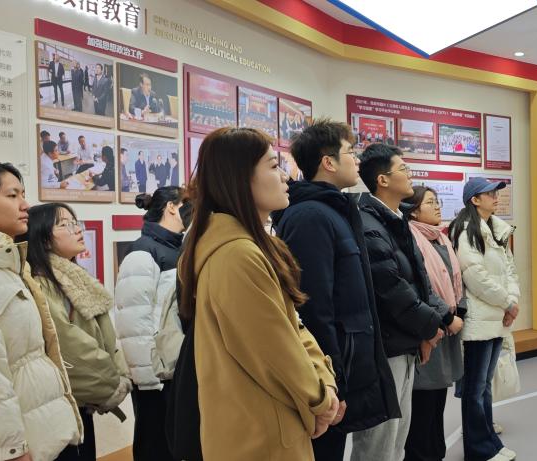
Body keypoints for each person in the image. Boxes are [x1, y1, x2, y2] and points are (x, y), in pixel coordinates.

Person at [177, 127, 340, 459]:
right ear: (240, 178)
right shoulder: (236, 255)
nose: (284, 176)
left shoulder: (248, 246)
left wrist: (323, 384)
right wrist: (321, 399)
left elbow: (293, 328)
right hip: (260, 433)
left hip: (267, 422)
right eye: (273, 166)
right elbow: (277, 351)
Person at [272, 119, 399, 461]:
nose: (357, 159)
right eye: (350, 152)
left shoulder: (334, 211)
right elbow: (313, 307)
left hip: (344, 366)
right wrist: (329, 381)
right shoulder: (310, 217)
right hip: (328, 374)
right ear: (328, 162)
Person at [0, 161, 83, 461]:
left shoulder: (9, 264)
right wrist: (10, 449)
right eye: (12, 195)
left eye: (23, 194)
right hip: (20, 445)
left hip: (46, 429)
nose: (25, 205)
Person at [354, 144, 446, 461]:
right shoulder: (369, 224)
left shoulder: (396, 219)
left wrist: (427, 328)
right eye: (403, 169)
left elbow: (419, 279)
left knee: (397, 440)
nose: (410, 175)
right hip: (387, 346)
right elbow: (391, 288)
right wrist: (432, 325)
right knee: (378, 444)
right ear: (382, 180)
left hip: (406, 340)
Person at [25, 203, 131, 461]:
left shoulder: (72, 277)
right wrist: (111, 383)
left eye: (75, 222)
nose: (78, 230)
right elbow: (71, 348)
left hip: (82, 401)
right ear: (43, 238)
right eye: (65, 224)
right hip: (63, 405)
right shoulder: (43, 284)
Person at [115, 186, 190, 461]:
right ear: (171, 207)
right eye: (186, 205)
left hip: (174, 369)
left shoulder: (178, 248)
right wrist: (149, 380)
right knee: (155, 445)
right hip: (156, 378)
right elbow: (133, 321)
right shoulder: (143, 251)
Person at [449, 177, 519, 461]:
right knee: (475, 389)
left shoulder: (496, 230)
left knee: (485, 386)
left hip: (497, 317)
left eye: (496, 193)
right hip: (479, 320)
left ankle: (489, 441)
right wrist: (507, 302)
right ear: (474, 200)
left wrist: (511, 301)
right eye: (489, 193)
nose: (495, 197)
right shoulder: (466, 231)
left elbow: (510, 270)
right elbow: (475, 276)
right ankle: (478, 450)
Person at [404, 185, 467, 461]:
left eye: (437, 201)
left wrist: (458, 313)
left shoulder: (441, 238)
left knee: (438, 403)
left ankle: (435, 453)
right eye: (430, 202)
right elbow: (421, 287)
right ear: (414, 211)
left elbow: (455, 280)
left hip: (448, 329)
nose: (438, 206)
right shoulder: (410, 239)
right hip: (428, 329)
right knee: (423, 405)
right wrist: (446, 317)